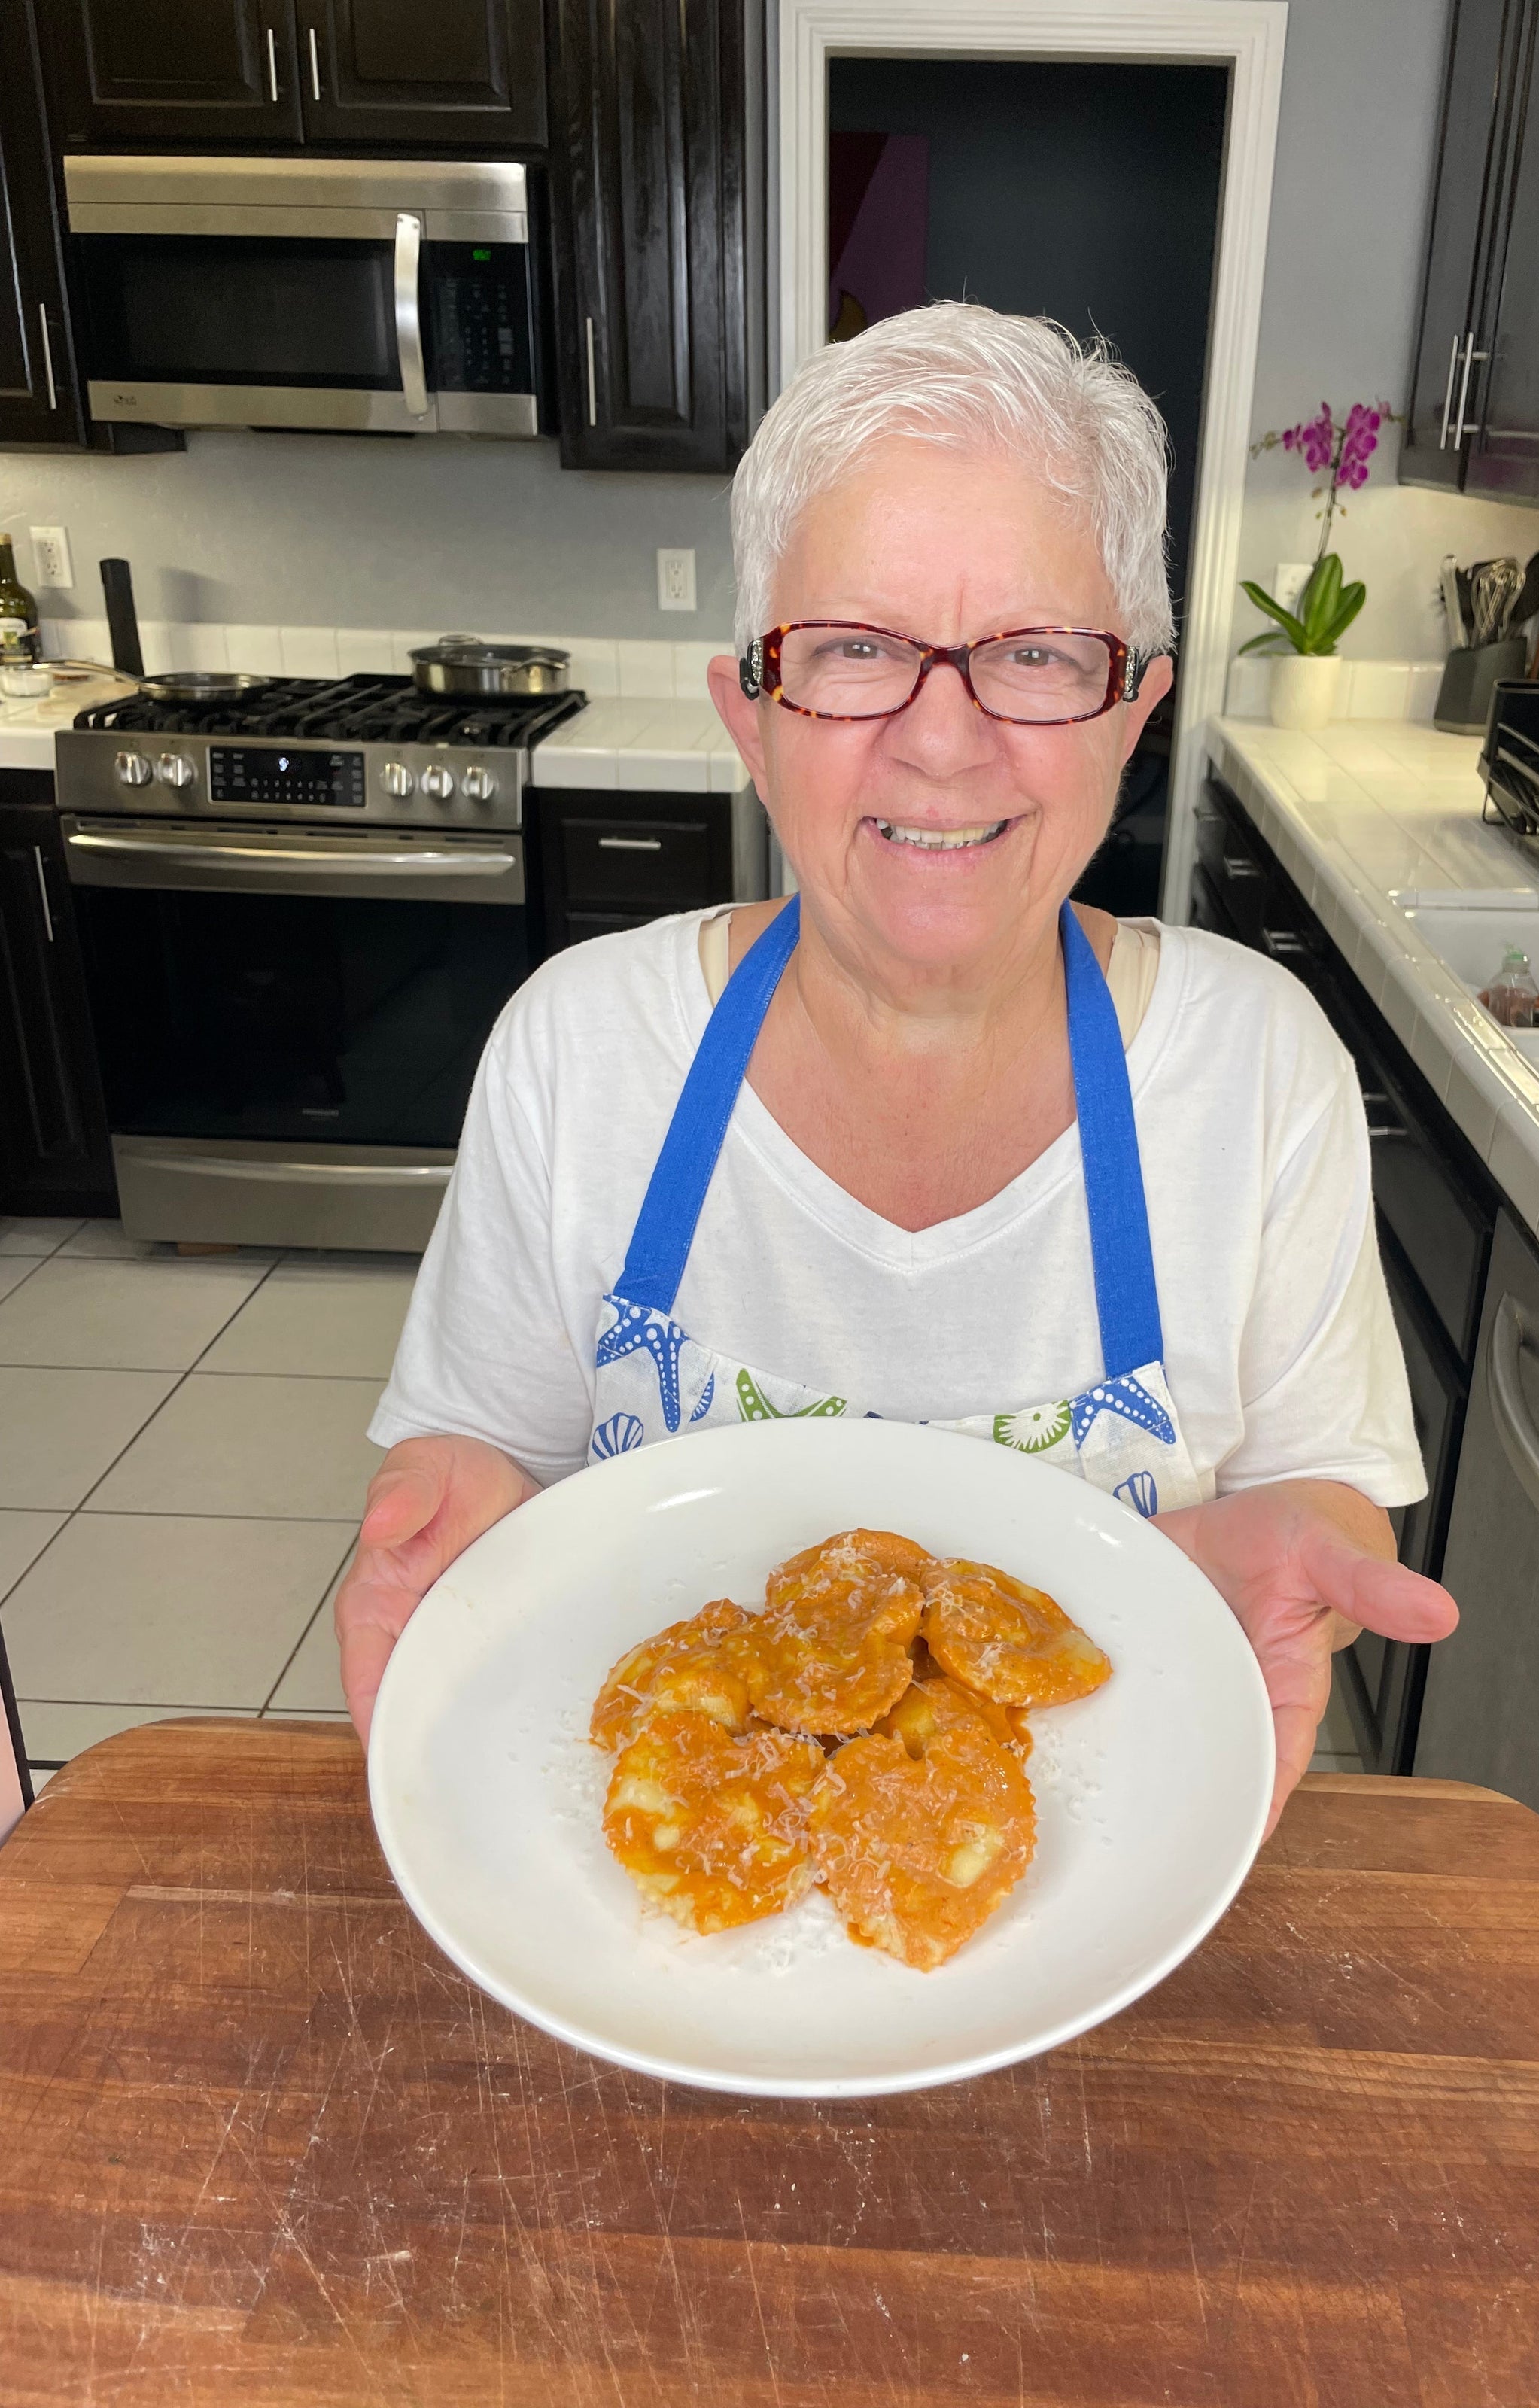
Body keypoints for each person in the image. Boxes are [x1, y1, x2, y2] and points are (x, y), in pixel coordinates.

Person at [339, 302, 1456, 1834]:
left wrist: (1283, 1562)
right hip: (661, 1896)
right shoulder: (580, 1050)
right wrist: (453, 1525)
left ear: (1133, 708)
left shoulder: (1260, 1072)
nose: (945, 741)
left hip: (1105, 1880)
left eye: (1036, 654)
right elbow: (485, 1465)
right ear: (753, 712)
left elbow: (1319, 1485)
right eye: (857, 649)